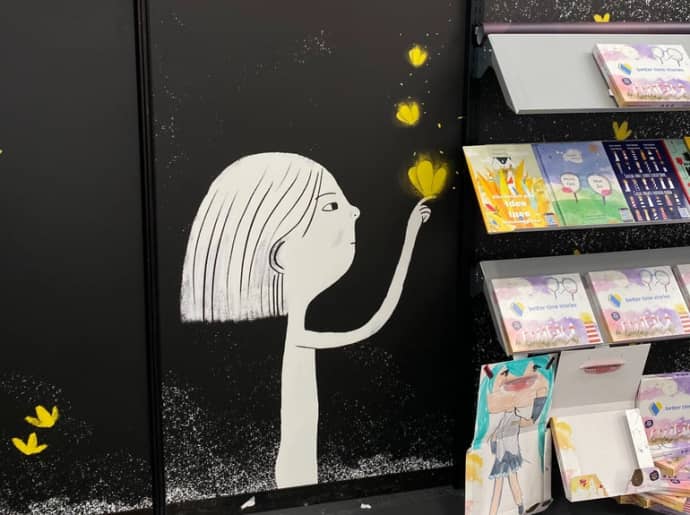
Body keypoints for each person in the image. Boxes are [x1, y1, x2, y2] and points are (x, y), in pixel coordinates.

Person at [180, 152, 431, 488]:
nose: (355, 211)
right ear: (283, 253)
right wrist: (410, 236)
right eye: (331, 206)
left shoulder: (297, 325)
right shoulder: (300, 330)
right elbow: (374, 321)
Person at [472, 356, 553, 515]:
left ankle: (516, 506)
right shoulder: (506, 418)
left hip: (506, 456)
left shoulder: (512, 418)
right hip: (504, 456)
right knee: (504, 484)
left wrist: (539, 400)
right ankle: (514, 507)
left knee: (504, 484)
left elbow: (529, 422)